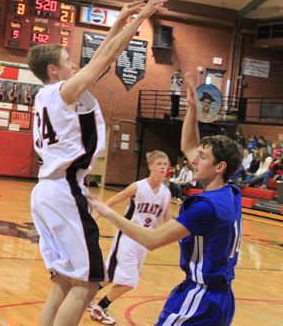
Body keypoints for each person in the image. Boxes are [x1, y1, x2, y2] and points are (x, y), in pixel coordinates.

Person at [27, 0, 168, 326]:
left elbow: (105, 56)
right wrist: (141, 16)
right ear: (53, 69)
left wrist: (121, 19)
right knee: (88, 284)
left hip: (46, 191)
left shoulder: (47, 95)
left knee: (63, 281)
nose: (74, 64)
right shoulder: (63, 92)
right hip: (65, 191)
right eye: (67, 60)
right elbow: (102, 60)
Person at [88, 71, 243, 326]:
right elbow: (189, 144)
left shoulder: (206, 207)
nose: (193, 159)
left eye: (202, 157)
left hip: (200, 296)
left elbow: (152, 240)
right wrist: (192, 108)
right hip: (223, 298)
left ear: (220, 166)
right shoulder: (232, 192)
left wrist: (107, 212)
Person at [89, 150, 172, 325]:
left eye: (165, 164)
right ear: (150, 166)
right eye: (159, 164)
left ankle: (86, 296)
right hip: (128, 237)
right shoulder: (138, 187)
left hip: (145, 242)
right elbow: (112, 202)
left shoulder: (166, 193)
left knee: (112, 277)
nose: (163, 167)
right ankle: (100, 308)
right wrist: (93, 220)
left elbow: (169, 221)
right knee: (129, 282)